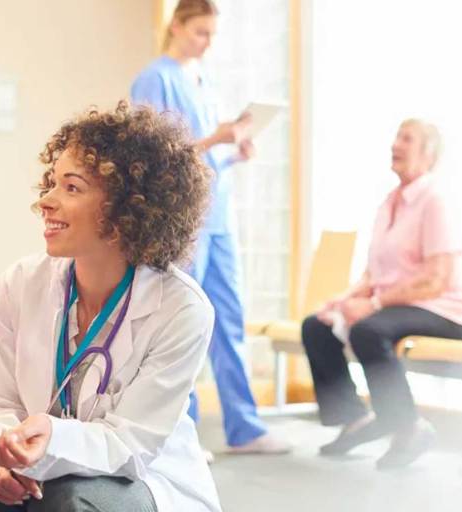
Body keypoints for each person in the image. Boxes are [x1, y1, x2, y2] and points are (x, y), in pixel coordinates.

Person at [0, 102, 222, 512]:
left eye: (72, 187)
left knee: (69, 498)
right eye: (51, 183)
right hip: (37, 460)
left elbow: (130, 443)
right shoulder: (22, 283)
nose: (45, 201)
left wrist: (49, 441)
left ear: (127, 208)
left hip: (143, 478)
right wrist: (6, 450)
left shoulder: (182, 310)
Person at [130, 0, 289, 457]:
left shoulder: (206, 82)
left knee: (228, 318)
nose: (206, 43)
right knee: (182, 322)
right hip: (185, 222)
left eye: (212, 34)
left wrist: (232, 151)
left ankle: (245, 426)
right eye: (200, 32)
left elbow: (202, 156)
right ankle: (181, 434)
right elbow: (153, 154)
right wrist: (213, 139)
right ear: (176, 27)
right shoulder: (155, 79)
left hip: (218, 218)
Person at [301, 119, 462, 469]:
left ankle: (408, 427)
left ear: (428, 154)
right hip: (405, 302)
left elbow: (437, 279)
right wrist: (342, 301)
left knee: (369, 329)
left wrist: (371, 305)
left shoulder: (437, 200)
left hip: (451, 309)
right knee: (317, 326)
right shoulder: (391, 202)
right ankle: (355, 419)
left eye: (407, 139)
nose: (395, 144)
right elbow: (375, 273)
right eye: (396, 137)